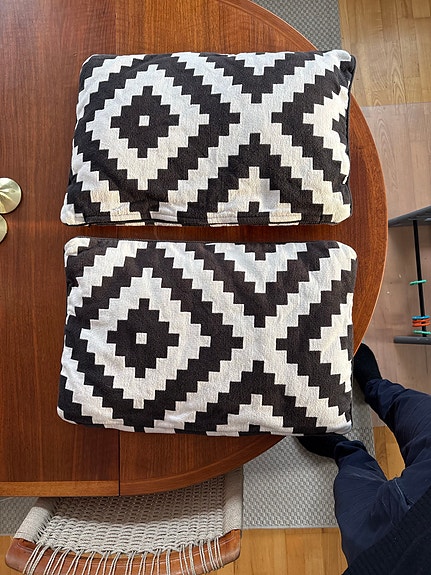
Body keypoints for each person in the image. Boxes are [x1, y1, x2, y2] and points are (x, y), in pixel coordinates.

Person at [298, 343, 431, 574]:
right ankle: (375, 386)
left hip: (386, 556)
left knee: (351, 477)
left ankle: (344, 449)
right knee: (408, 406)